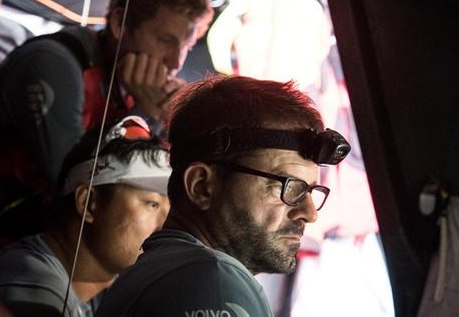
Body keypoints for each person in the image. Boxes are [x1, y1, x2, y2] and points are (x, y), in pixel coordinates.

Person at [0, 0, 213, 259]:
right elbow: (79, 191)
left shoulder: (130, 88)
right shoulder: (55, 64)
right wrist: (145, 115)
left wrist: (161, 120)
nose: (175, 61)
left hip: (6, 236)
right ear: (120, 24)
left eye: (186, 45)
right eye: (165, 40)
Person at [93, 75, 351, 317]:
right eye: (287, 186)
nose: (310, 213)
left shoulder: (165, 273)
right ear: (201, 186)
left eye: (309, 191)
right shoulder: (208, 279)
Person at [0, 116, 172, 317]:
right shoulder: (33, 297)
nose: (166, 225)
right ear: (88, 203)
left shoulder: (101, 287)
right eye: (151, 204)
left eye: (168, 208)